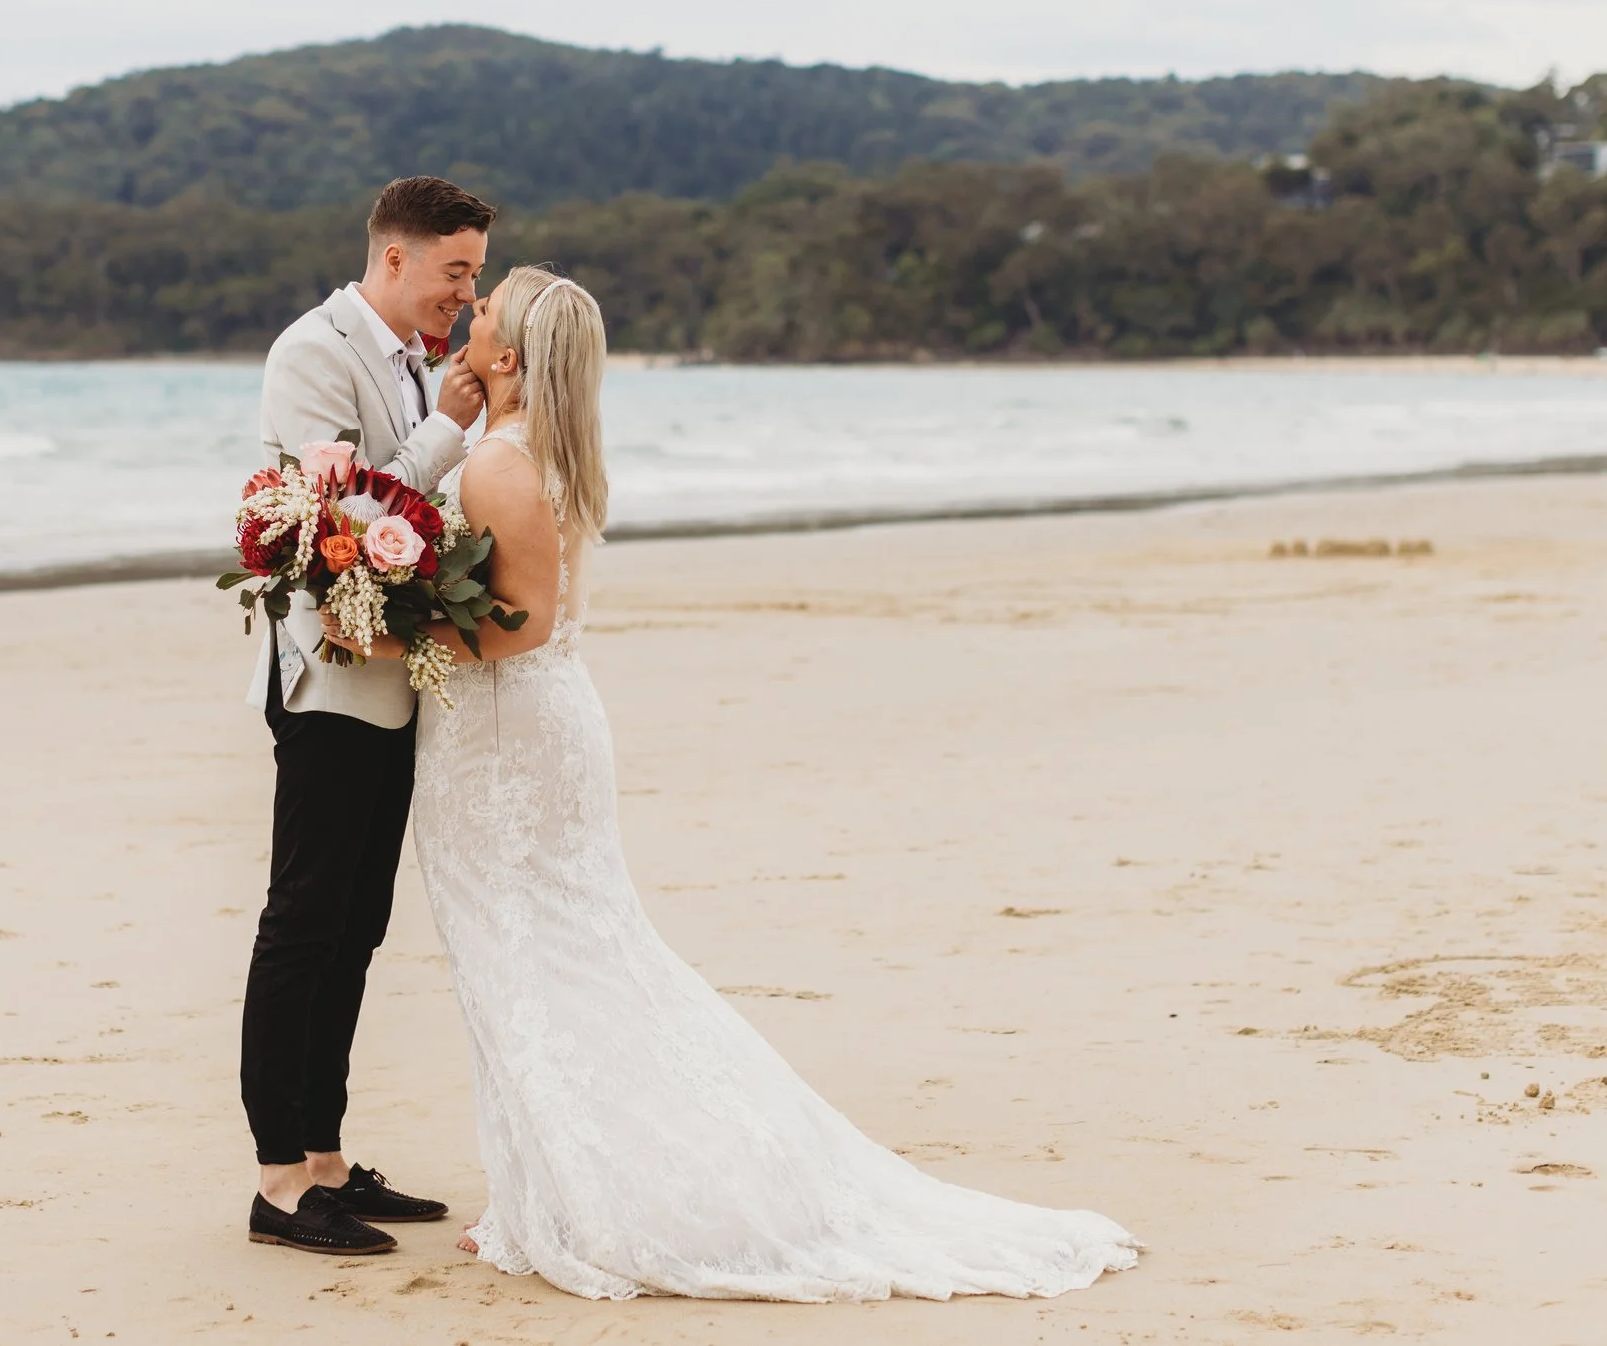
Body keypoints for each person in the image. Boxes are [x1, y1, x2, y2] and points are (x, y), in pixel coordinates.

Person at [327, 267, 1142, 1301]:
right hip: (530, 731)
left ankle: (596, 1198)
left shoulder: (498, 463)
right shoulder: (539, 449)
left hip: (504, 746)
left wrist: (390, 628)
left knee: (533, 962)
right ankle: (538, 1192)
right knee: (549, 957)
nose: (470, 312)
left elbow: (517, 621)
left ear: (509, 357)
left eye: (485, 312)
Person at [239, 176, 493, 1255]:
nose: (466, 295)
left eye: (474, 274)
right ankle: (278, 1183)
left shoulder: (415, 358)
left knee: (358, 924)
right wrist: (445, 427)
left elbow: (417, 520)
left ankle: (329, 1157)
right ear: (395, 258)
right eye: (455, 271)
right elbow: (339, 520)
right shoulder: (312, 351)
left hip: (392, 678)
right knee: (302, 921)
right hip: (331, 676)